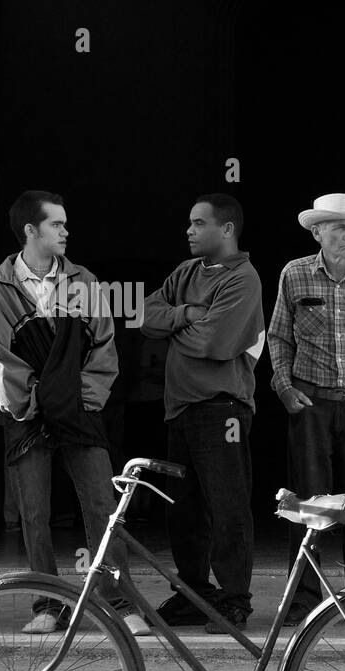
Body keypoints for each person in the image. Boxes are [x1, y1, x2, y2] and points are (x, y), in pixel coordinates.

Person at [0, 190, 143, 634]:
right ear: (31, 231)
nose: (66, 231)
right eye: (56, 224)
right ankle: (48, 605)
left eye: (65, 224)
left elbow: (104, 347)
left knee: (102, 503)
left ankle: (118, 600)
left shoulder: (84, 282)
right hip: (27, 414)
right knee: (34, 510)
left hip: (80, 410)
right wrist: (36, 401)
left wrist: (81, 398)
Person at [269, 194, 345, 626]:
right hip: (311, 404)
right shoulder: (295, 274)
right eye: (338, 227)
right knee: (307, 502)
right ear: (317, 232)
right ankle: (303, 598)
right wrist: (284, 388)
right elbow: (279, 337)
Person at [142, 194, 264, 632]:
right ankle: (193, 593)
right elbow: (147, 317)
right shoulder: (186, 273)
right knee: (184, 509)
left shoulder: (243, 279)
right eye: (189, 222)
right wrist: (186, 315)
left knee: (227, 504)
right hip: (181, 409)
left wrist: (176, 332)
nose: (189, 231)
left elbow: (216, 343)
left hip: (222, 409)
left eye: (199, 223)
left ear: (227, 229)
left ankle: (235, 598)